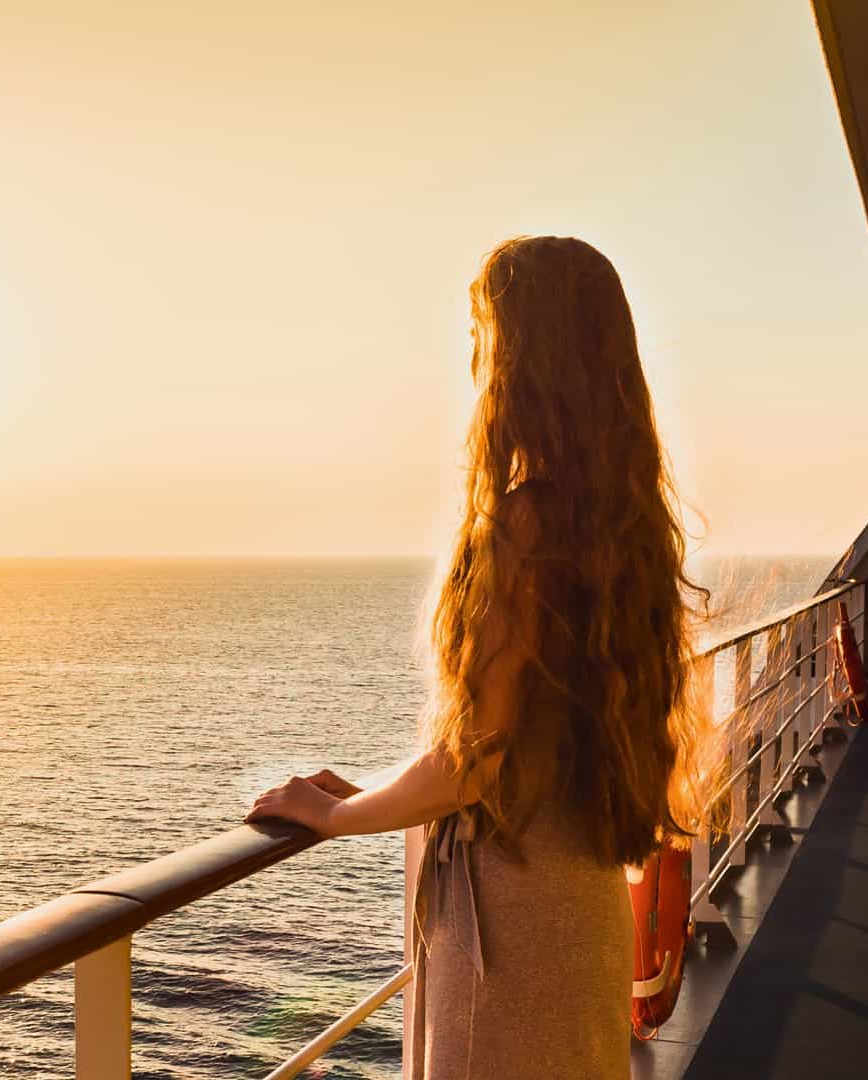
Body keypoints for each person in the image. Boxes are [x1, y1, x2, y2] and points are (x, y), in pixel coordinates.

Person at [247, 236, 708, 1079]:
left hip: (509, 930)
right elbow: (524, 731)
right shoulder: (622, 531)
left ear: (522, 360)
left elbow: (476, 760)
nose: (473, 358)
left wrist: (336, 816)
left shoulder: (521, 530)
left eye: (482, 333)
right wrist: (384, 792)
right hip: (581, 905)